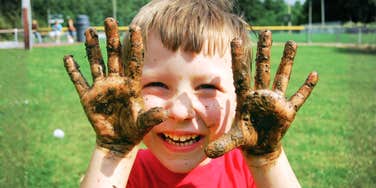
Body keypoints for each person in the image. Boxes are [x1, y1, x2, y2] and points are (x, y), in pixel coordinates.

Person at [63, 0, 319, 187]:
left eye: (208, 87)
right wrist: (114, 150)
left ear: (241, 98)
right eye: (157, 85)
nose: (180, 111)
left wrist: (267, 160)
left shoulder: (252, 174)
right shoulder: (124, 174)